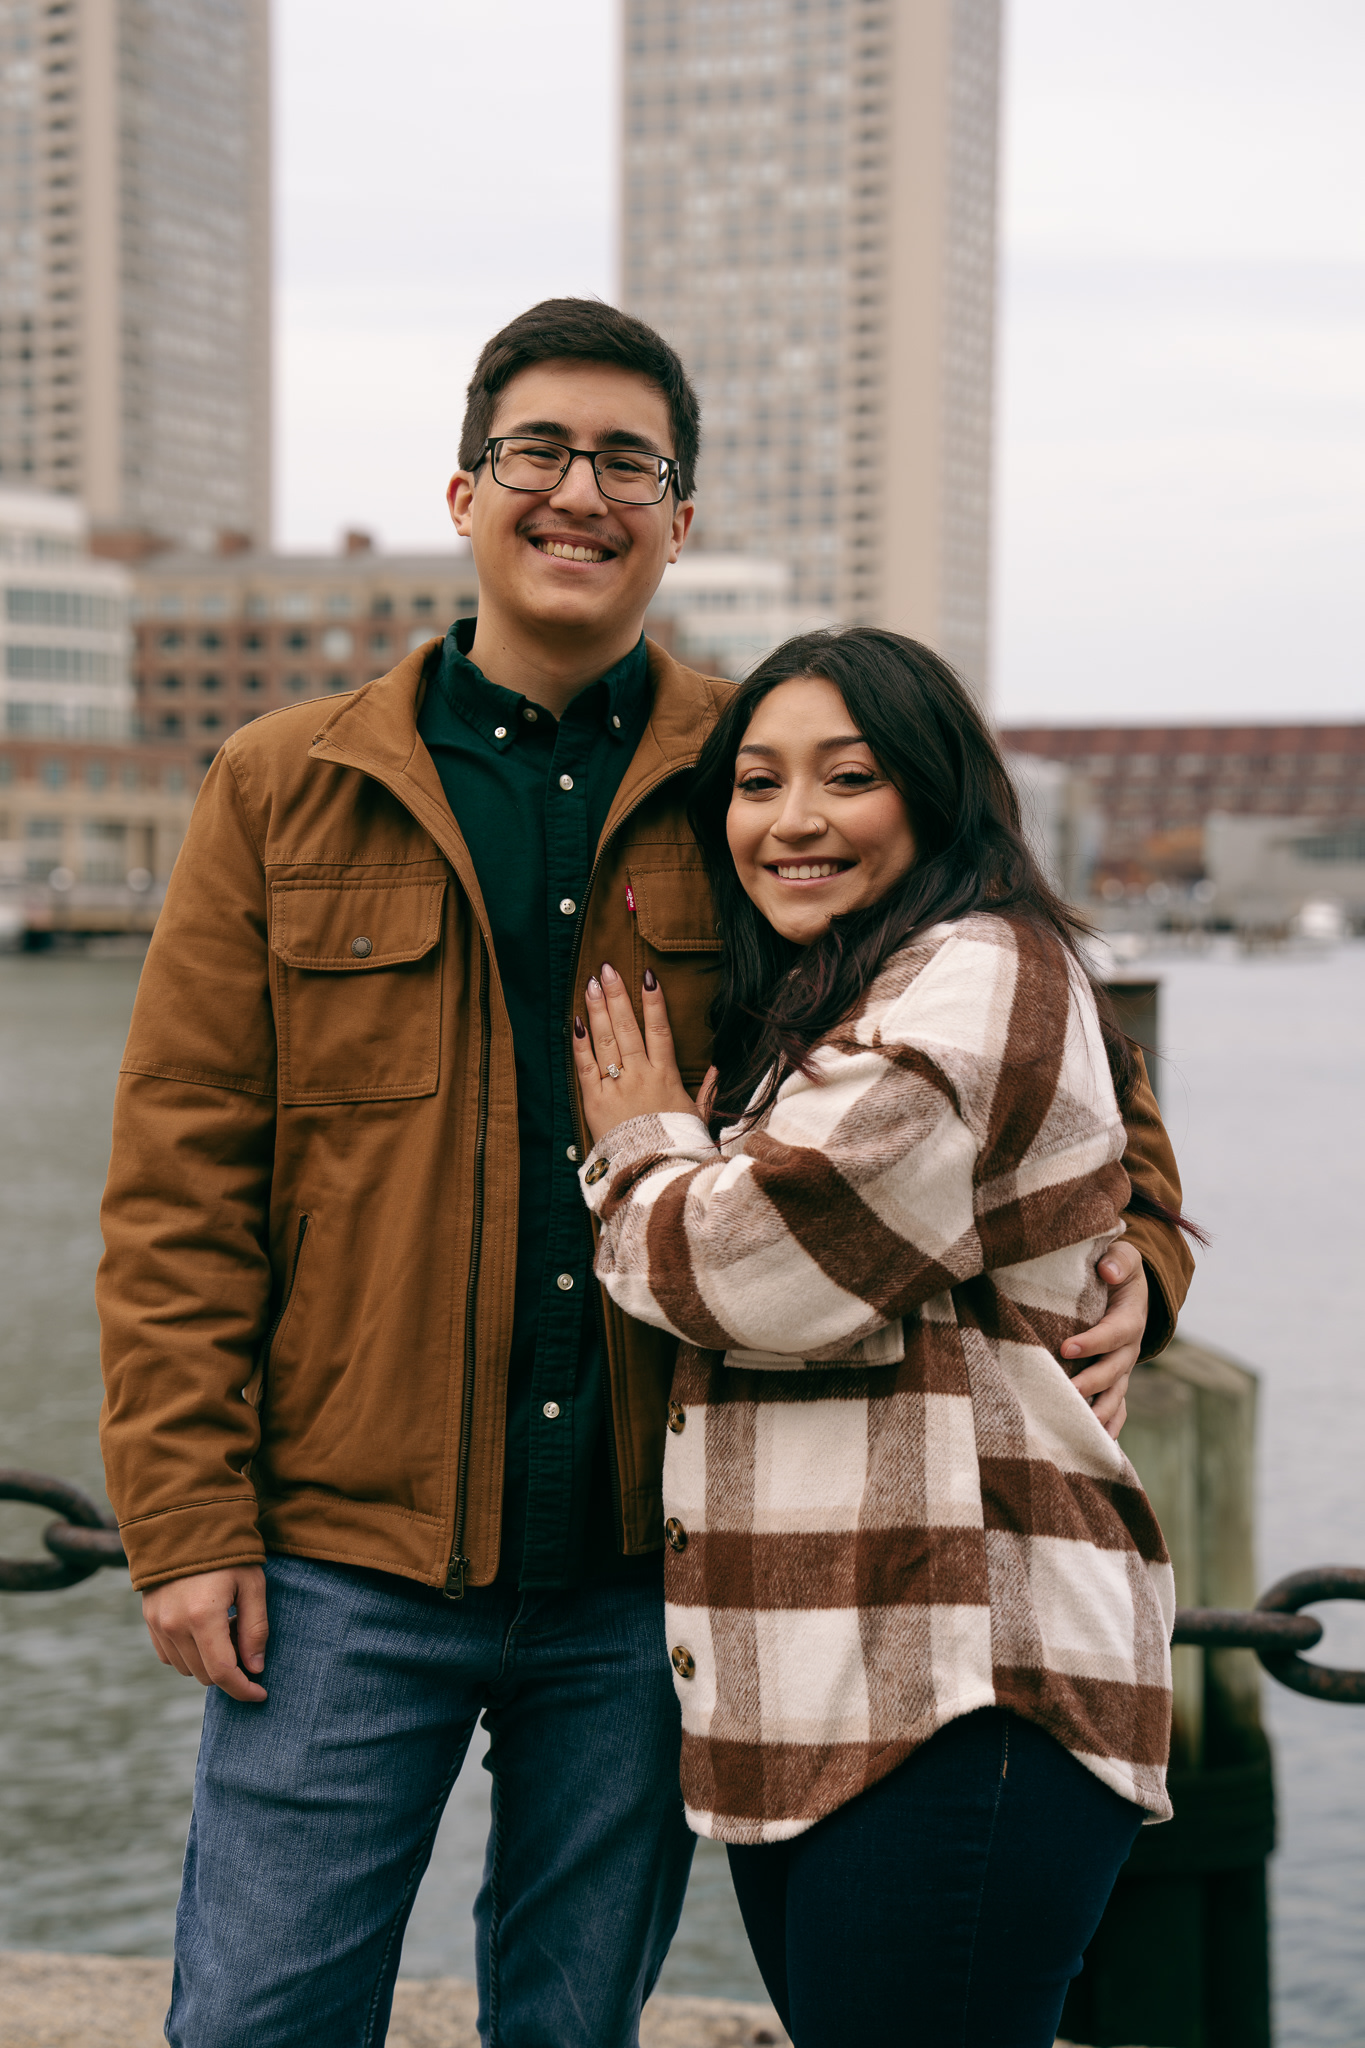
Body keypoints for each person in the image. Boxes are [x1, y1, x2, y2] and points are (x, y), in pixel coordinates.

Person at [97, 300, 1192, 2048]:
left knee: (569, 2026)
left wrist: (1135, 1267)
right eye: (539, 451)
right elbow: (179, 1183)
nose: (579, 492)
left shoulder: (756, 773)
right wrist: (185, 1522)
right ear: (463, 490)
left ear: (677, 521)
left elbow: (1074, 1096)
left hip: (649, 1568)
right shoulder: (281, 787)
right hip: (340, 1558)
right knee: (252, 2019)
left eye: (630, 462)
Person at [573, 627, 1201, 2047]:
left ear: (933, 791)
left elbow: (753, 1269)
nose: (789, 820)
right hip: (821, 1694)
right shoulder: (853, 986)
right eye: (754, 782)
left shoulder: (975, 972)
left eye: (844, 777)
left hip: (962, 1699)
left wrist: (639, 1147)